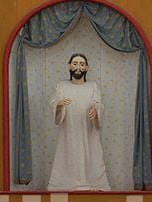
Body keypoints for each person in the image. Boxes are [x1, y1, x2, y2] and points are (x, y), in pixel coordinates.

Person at [47, 53, 110, 191]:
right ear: (69, 66)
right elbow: (53, 102)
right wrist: (59, 105)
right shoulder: (61, 86)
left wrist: (95, 110)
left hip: (88, 133)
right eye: (75, 63)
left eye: (82, 64)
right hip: (69, 133)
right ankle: (65, 184)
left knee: (92, 158)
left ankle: (94, 184)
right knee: (67, 158)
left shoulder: (93, 86)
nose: (78, 67)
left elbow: (98, 102)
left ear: (86, 68)